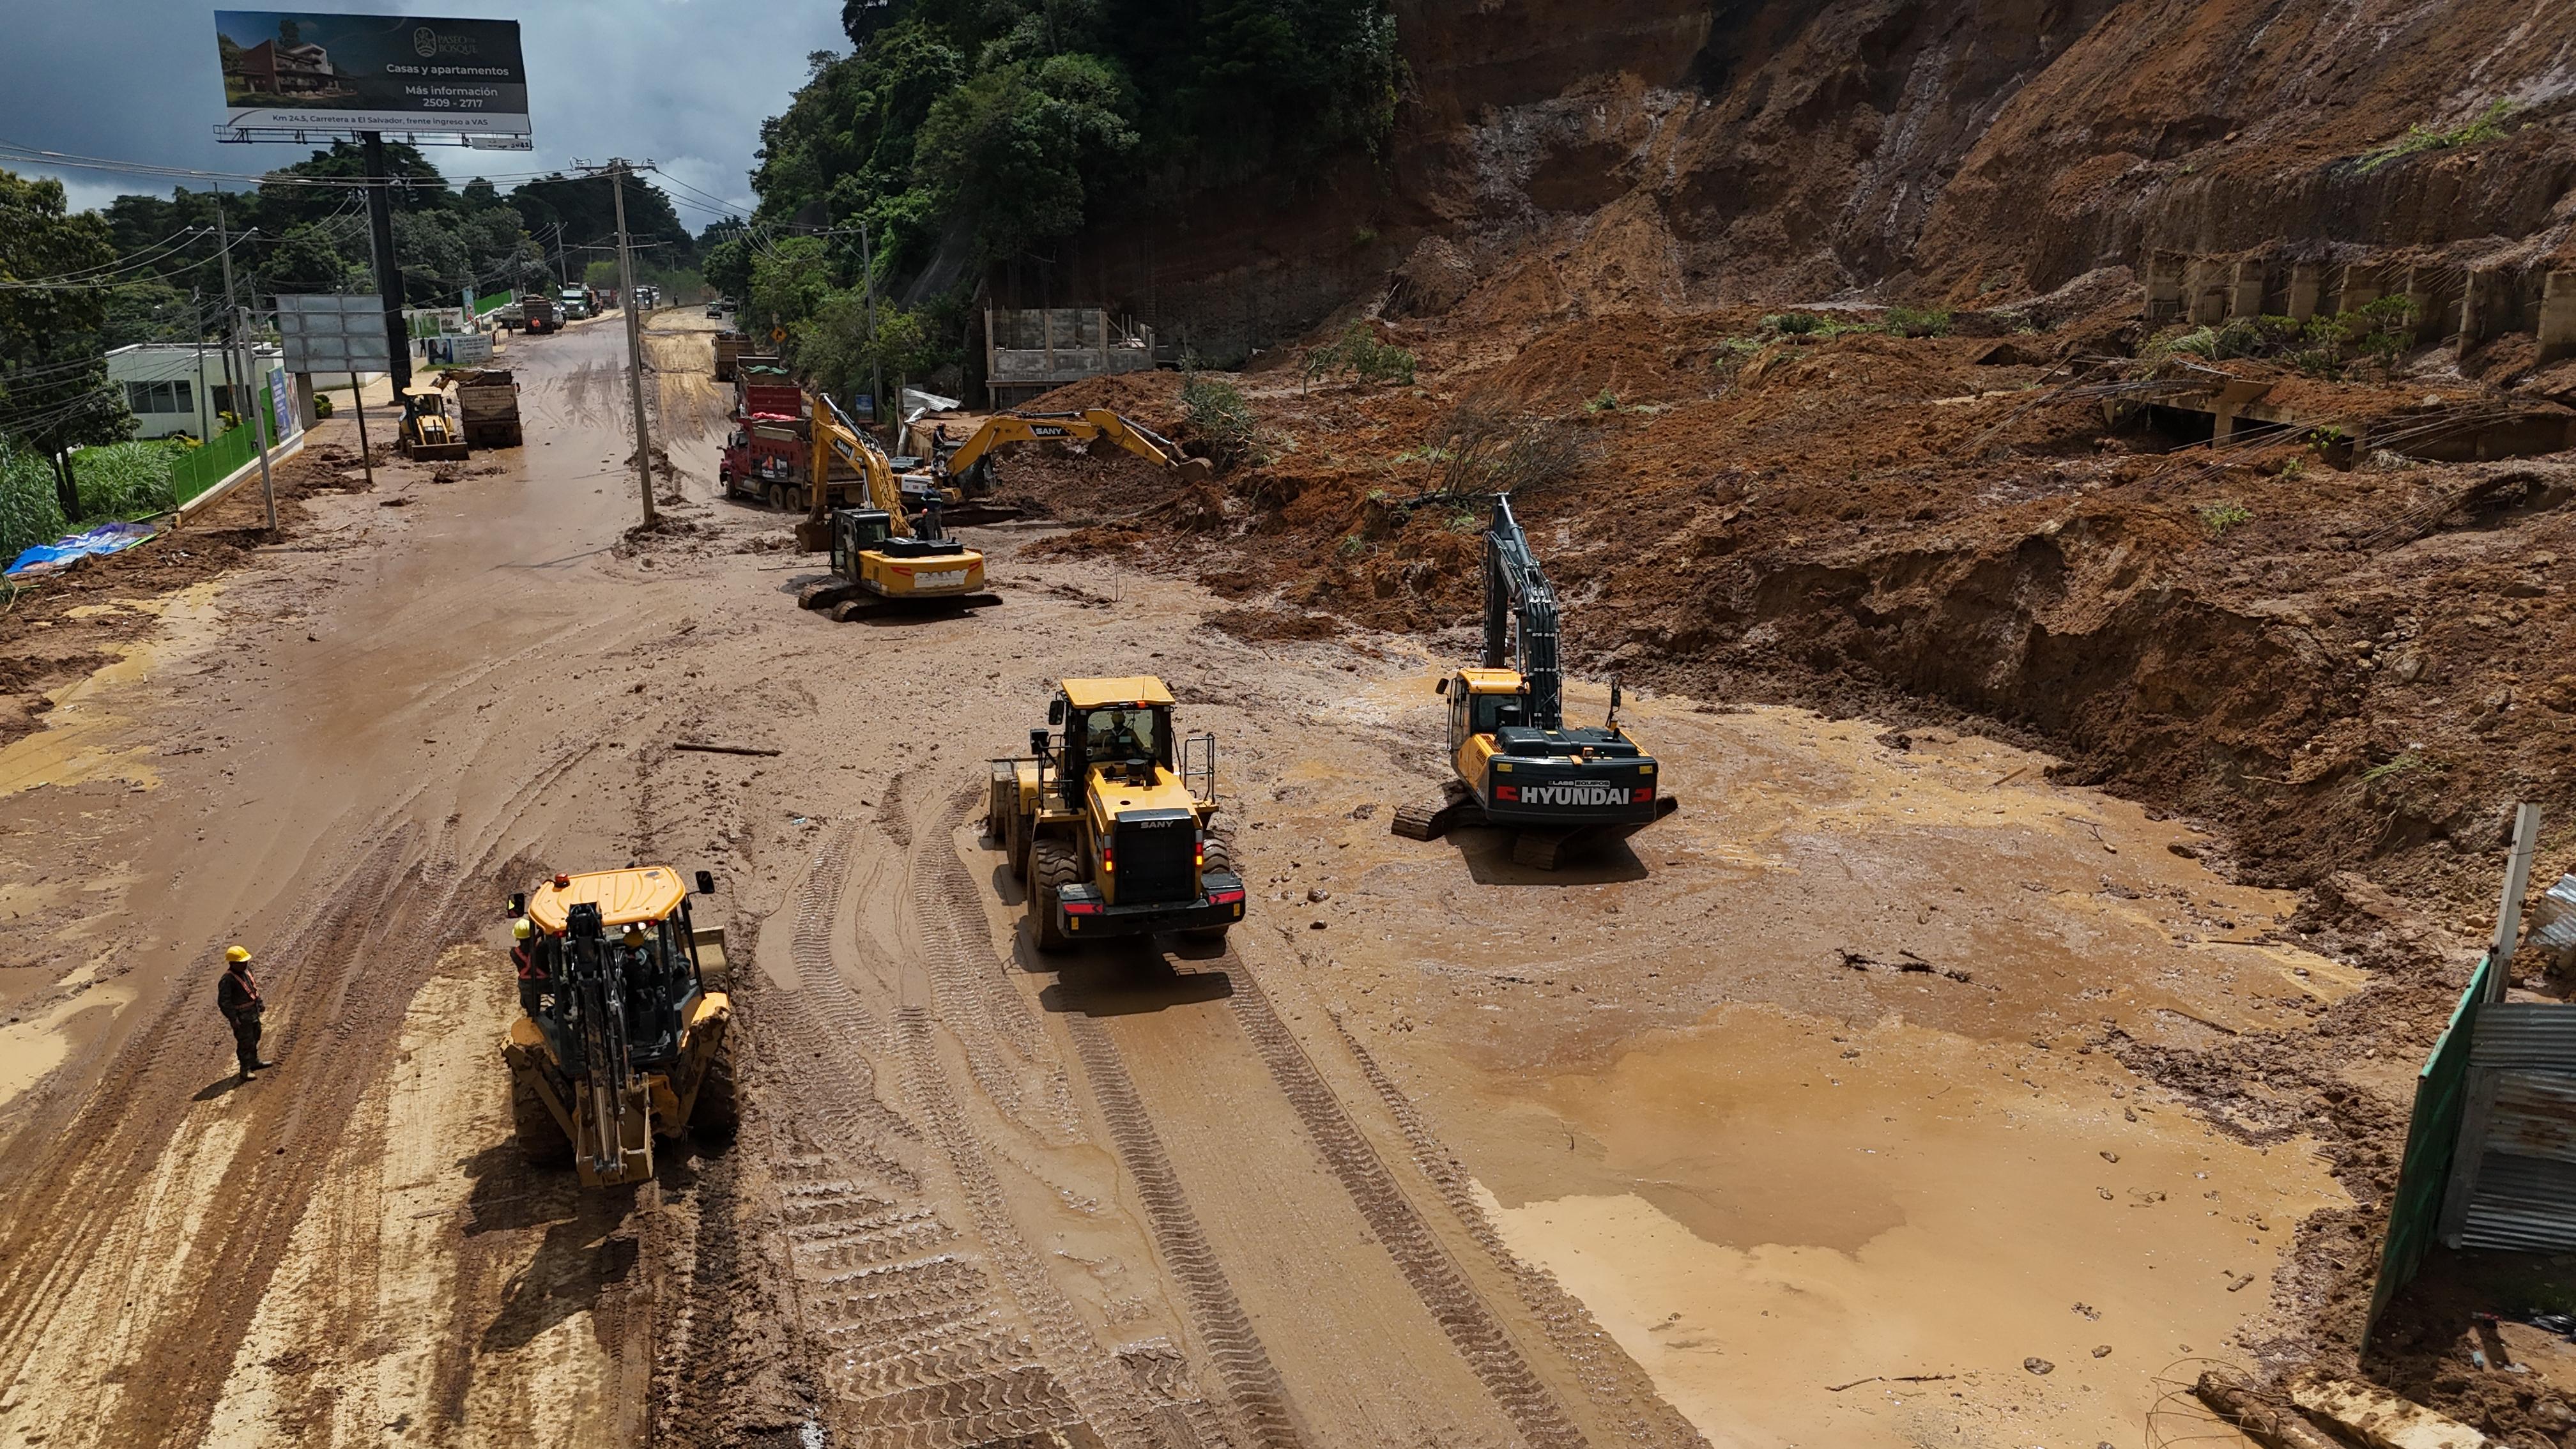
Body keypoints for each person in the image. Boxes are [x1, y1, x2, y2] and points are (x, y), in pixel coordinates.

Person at [217, 945, 268, 1082]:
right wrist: (233, 1019)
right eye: (242, 962)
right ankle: (245, 1070)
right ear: (233, 963)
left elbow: (253, 989)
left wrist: (260, 1003)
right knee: (245, 1042)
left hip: (253, 1013)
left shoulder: (246, 971)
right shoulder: (227, 980)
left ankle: (254, 1061)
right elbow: (224, 1002)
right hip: (242, 1018)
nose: (245, 964)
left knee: (256, 1036)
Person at [510, 918, 548, 1018]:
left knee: (532, 1014)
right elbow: (533, 948)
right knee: (565, 987)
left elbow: (527, 948)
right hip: (546, 983)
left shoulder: (514, 953)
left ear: (518, 937)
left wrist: (536, 937)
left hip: (527, 985)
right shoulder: (543, 947)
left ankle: (532, 1015)